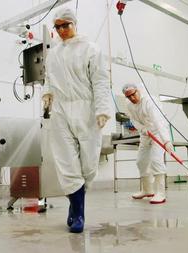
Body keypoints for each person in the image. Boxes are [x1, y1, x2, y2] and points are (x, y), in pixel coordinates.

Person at [42, 8, 112, 233]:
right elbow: (49, 78)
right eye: (58, 26)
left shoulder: (91, 49)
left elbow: (100, 81)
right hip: (61, 110)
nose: (62, 30)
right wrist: (47, 94)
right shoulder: (53, 53)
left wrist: (102, 109)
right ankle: (79, 213)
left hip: (86, 109)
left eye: (66, 25)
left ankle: (75, 205)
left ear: (74, 24)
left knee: (89, 165)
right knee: (66, 162)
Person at [122, 83, 173, 204]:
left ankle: (160, 193)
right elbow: (133, 119)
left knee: (156, 160)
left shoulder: (149, 102)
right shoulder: (129, 104)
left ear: (138, 91)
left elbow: (158, 121)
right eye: (129, 96)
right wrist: (142, 129)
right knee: (141, 161)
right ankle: (147, 190)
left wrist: (166, 140)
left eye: (133, 94)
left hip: (158, 132)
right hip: (145, 134)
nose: (132, 98)